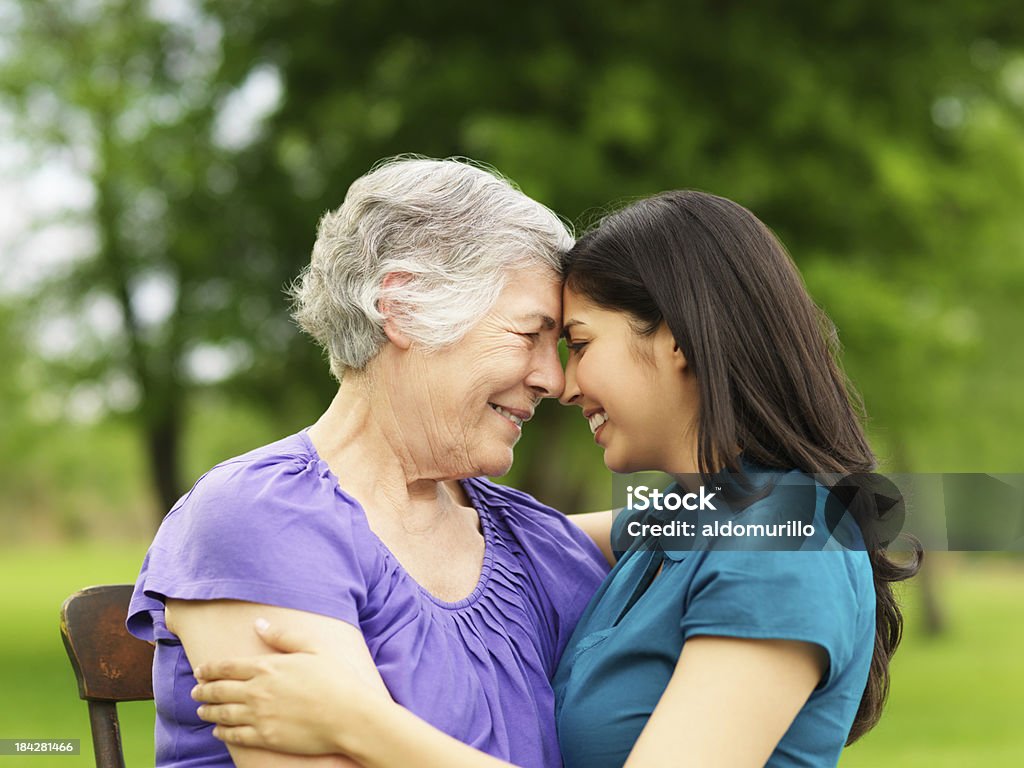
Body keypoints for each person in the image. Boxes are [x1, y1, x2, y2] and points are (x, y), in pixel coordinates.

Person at [190, 191, 920, 767]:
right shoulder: (719, 518)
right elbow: (471, 550)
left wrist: (360, 721)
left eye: (575, 342)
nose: (561, 385)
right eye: (533, 338)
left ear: (678, 343)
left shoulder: (781, 539)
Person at [126, 156, 611, 768]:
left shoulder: (519, 535)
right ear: (402, 307)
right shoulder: (259, 517)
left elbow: (730, 520)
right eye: (529, 334)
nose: (554, 379)